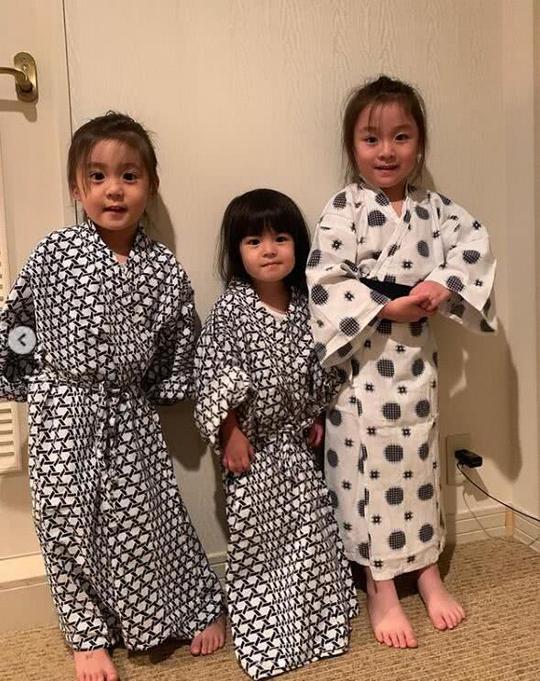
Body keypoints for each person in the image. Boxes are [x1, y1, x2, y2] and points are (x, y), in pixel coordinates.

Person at [0, 112, 225, 681]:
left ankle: (182, 606)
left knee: (143, 514)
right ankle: (86, 634)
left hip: (128, 409)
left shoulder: (163, 268)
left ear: (151, 186)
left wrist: (162, 390)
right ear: (77, 189)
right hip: (63, 406)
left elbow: (178, 338)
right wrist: (32, 378)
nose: (114, 190)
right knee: (65, 518)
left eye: (129, 175)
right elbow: (21, 321)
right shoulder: (54, 252)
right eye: (97, 177)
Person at [306, 75, 496, 649]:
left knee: (419, 462)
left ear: (419, 144)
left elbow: (474, 246)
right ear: (352, 147)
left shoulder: (433, 208)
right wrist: (387, 307)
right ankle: (380, 583)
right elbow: (325, 278)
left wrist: (439, 284)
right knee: (363, 470)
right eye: (371, 139)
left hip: (417, 359)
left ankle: (426, 567)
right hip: (362, 364)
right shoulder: (344, 208)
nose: (386, 151)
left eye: (401, 136)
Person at [193, 188, 358, 680]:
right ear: (237, 251)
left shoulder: (308, 306)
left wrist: (313, 414)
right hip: (252, 451)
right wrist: (230, 432)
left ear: (298, 245)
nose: (268, 251)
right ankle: (268, 628)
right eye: (254, 241)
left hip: (296, 448)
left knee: (310, 533)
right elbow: (214, 375)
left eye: (280, 239)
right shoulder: (230, 313)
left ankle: (316, 622)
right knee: (259, 540)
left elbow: (319, 369)